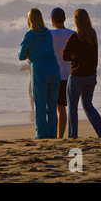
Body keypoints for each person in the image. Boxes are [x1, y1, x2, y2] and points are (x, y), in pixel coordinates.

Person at [62, 9, 101, 139]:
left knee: (72, 107)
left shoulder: (75, 36)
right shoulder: (92, 35)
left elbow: (65, 55)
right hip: (91, 75)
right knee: (88, 106)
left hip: (77, 76)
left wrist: (75, 56)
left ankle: (73, 136)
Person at [19, 8, 60, 139]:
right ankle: (53, 133)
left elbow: (21, 55)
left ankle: (42, 134)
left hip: (40, 70)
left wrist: (29, 54)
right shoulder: (47, 33)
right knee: (52, 104)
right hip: (54, 69)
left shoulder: (30, 35)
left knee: (41, 104)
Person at [49, 7, 74, 138]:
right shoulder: (73, 33)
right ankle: (70, 133)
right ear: (64, 19)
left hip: (58, 75)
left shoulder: (51, 34)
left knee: (60, 108)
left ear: (52, 20)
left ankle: (60, 136)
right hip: (72, 75)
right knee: (70, 107)